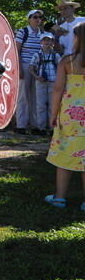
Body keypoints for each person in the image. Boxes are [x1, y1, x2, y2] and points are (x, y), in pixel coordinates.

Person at [43, 25, 85, 208]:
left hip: (71, 114)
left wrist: (54, 113)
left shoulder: (67, 61)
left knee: (64, 152)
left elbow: (58, 89)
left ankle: (59, 197)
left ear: (78, 39)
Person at [14, 10, 45, 134]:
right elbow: (17, 51)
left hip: (38, 67)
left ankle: (35, 125)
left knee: (36, 96)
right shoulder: (23, 32)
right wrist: (19, 68)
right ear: (29, 19)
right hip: (25, 65)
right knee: (23, 96)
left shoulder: (42, 34)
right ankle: (21, 125)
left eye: (40, 17)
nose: (38, 19)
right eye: (35, 17)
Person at [31, 32, 60, 136]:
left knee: (53, 105)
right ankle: (41, 128)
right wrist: (37, 77)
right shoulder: (37, 55)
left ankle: (52, 127)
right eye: (45, 40)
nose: (47, 42)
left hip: (53, 82)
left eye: (49, 40)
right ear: (41, 42)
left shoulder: (56, 55)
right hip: (40, 82)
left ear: (52, 42)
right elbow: (31, 68)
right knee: (40, 105)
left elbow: (60, 68)